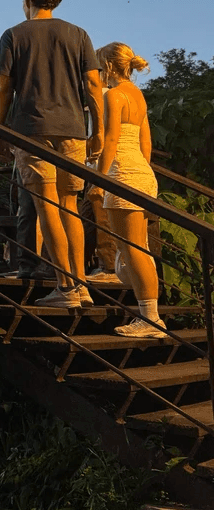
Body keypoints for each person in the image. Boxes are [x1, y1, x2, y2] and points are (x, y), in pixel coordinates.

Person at [0, 0, 103, 308]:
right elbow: (93, 86)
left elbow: (3, 88)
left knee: (47, 206)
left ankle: (65, 288)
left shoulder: (14, 34)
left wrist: (0, 131)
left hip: (32, 129)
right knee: (69, 205)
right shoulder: (78, 34)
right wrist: (96, 129)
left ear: (28, 1)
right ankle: (80, 284)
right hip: (73, 129)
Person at [93, 43, 164, 336]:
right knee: (137, 250)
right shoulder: (138, 95)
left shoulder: (113, 95)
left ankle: (151, 319)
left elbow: (109, 140)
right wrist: (142, 173)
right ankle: (148, 315)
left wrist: (98, 181)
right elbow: (145, 143)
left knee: (133, 250)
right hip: (141, 173)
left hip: (122, 173)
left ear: (108, 66)